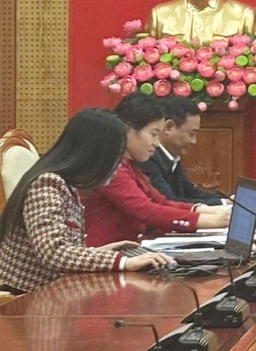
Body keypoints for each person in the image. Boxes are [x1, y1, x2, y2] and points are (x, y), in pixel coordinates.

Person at [0, 108, 174, 294]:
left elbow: (63, 247)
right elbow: (53, 253)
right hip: (25, 297)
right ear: (95, 154)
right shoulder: (48, 183)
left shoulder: (67, 183)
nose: (118, 165)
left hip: (53, 290)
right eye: (115, 156)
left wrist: (100, 252)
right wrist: (122, 261)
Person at [81, 93, 230, 246]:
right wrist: (213, 221)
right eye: (153, 134)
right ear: (128, 129)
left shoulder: (129, 163)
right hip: (105, 253)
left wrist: (212, 212)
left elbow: (161, 202)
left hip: (131, 248)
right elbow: (147, 211)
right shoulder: (110, 167)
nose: (156, 143)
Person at [140, 97, 223, 206]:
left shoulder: (172, 157)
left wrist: (226, 201)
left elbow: (190, 192)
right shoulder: (148, 158)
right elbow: (169, 203)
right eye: (191, 134)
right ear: (169, 127)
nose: (194, 141)